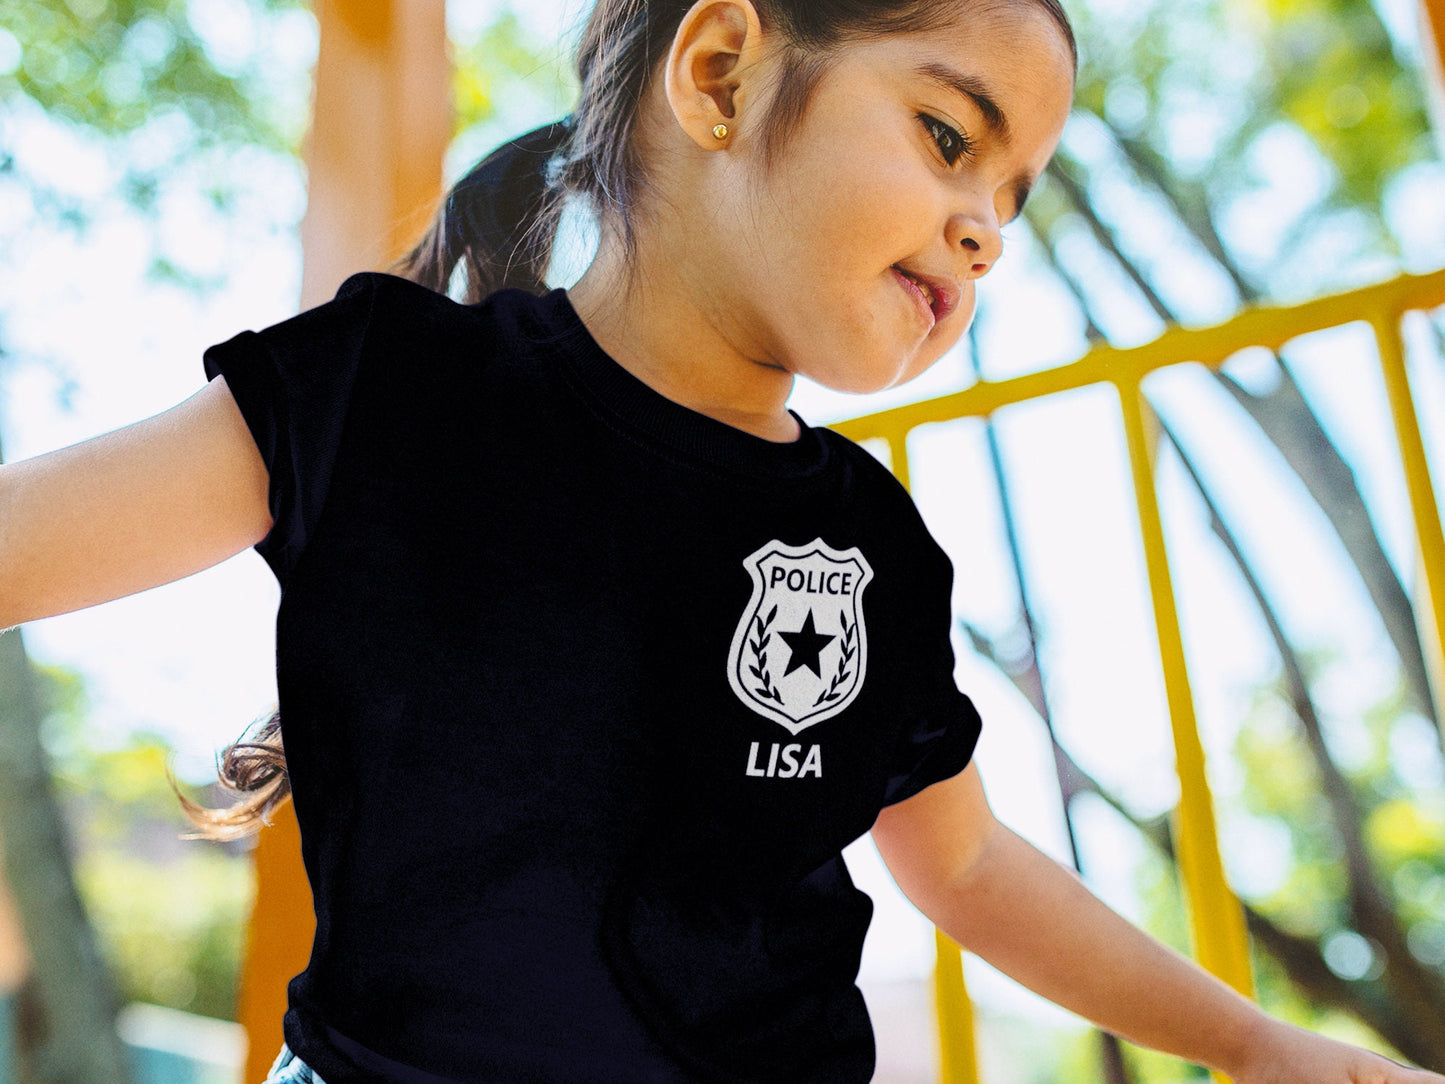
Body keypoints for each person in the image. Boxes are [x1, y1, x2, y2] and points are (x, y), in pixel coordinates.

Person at [1, 1, 1441, 1081]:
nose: (985, 231)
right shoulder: (383, 392)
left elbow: (968, 867)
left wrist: (1254, 1046)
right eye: (950, 139)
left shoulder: (871, 545)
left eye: (1011, 199)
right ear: (721, 72)